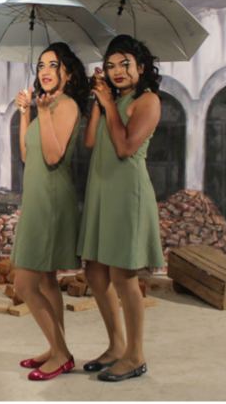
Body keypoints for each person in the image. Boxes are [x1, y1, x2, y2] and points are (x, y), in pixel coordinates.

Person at [77, 34, 165, 382]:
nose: (117, 70)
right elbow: (90, 141)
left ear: (141, 67)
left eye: (125, 63)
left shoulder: (148, 100)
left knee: (123, 276)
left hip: (127, 194)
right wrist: (100, 102)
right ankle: (115, 346)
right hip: (101, 192)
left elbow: (126, 146)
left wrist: (110, 104)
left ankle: (136, 354)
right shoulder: (112, 99)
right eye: (110, 65)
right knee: (96, 272)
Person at [11, 42, 90, 382]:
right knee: (45, 280)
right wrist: (26, 112)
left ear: (67, 73)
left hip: (52, 202)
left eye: (53, 64)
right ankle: (55, 345)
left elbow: (55, 155)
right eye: (41, 64)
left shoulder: (67, 105)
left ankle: (61, 354)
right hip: (37, 196)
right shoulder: (44, 104)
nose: (44, 70)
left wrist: (42, 114)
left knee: (24, 283)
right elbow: (28, 155)